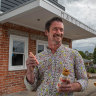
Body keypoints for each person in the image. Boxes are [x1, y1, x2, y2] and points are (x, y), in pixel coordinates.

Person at [24, 17, 88, 96]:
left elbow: (84, 80)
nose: (59, 32)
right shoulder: (38, 57)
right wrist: (29, 71)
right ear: (47, 32)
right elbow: (30, 87)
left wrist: (72, 86)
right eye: (55, 29)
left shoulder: (74, 55)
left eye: (61, 30)